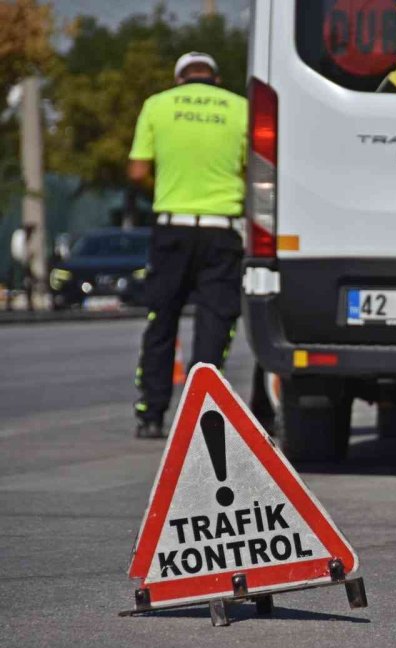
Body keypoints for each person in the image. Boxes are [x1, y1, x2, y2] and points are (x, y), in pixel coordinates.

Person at [128, 52, 248, 438]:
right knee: (215, 321)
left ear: (179, 79)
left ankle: (151, 412)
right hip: (222, 229)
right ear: (215, 78)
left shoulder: (157, 105)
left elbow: (138, 170)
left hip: (172, 227)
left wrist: (166, 191)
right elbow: (255, 169)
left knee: (161, 320)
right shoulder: (240, 109)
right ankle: (200, 411)